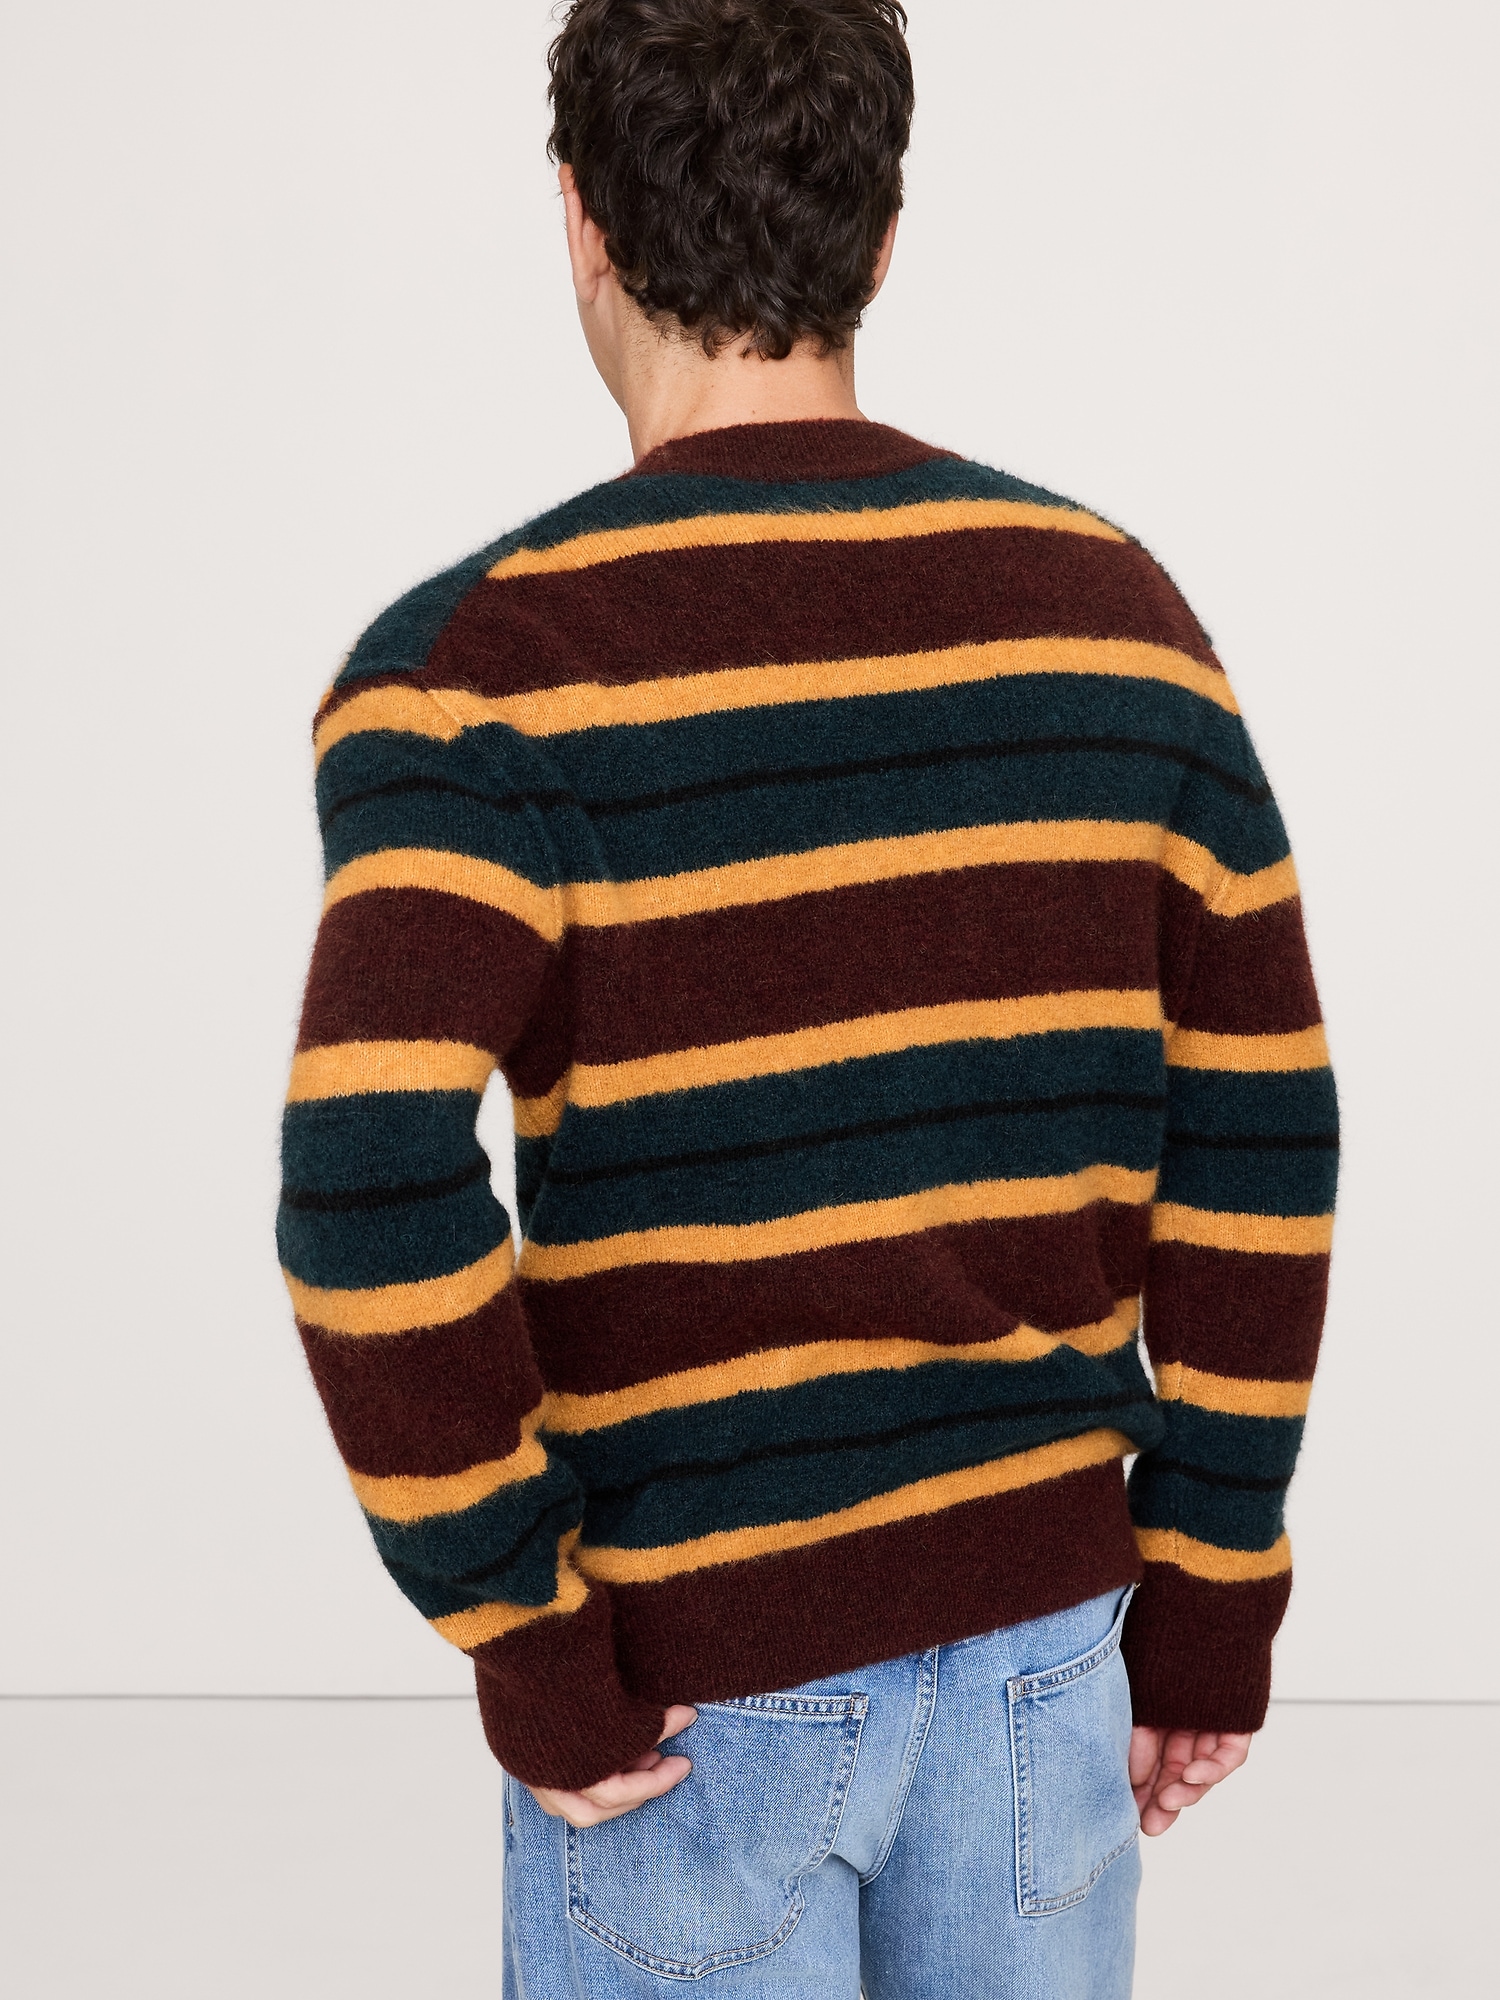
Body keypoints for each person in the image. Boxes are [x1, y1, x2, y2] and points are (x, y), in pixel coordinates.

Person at [276, 2, 1337, 1992]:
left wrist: (527, 1629)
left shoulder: (472, 681)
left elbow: (363, 1187)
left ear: (581, 221)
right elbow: (1259, 1132)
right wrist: (1211, 1592)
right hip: (1047, 1673)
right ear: (885, 231)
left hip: (687, 1703)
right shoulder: (1117, 619)